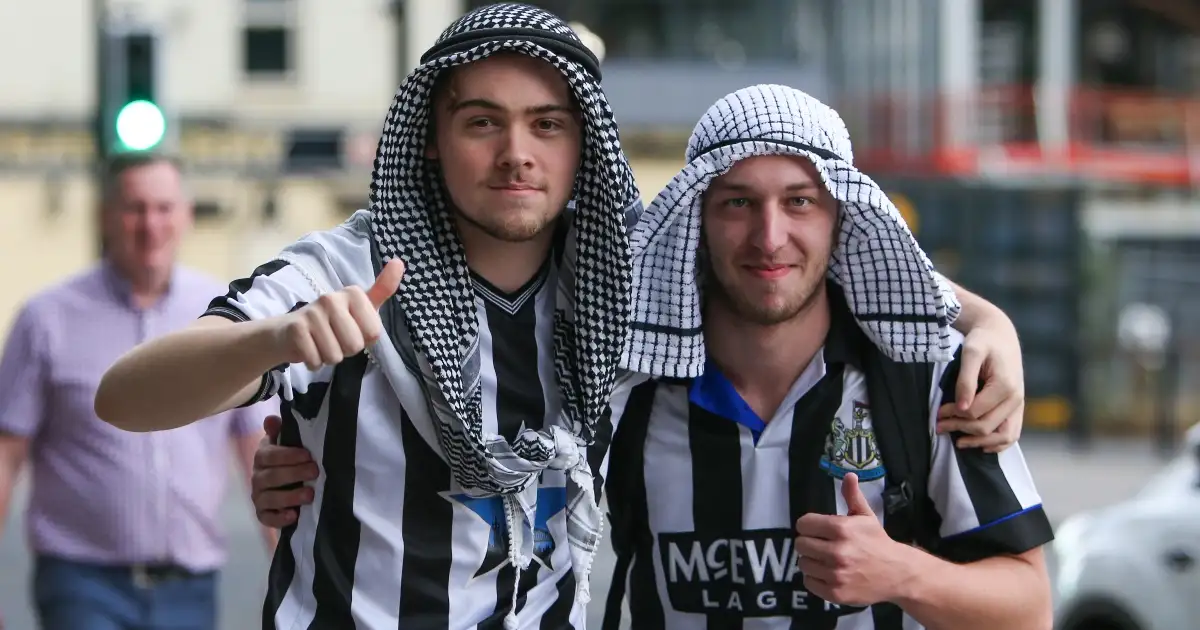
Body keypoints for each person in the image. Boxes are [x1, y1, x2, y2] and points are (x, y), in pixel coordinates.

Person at [96, 5, 1027, 629]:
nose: (517, 154)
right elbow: (124, 398)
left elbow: (796, 271)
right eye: (482, 123)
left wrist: (991, 326)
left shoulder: (620, 276)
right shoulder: (340, 270)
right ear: (432, 138)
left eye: (547, 124)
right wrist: (273, 342)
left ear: (582, 143)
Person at [599, 85, 1052, 628]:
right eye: (738, 202)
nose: (770, 238)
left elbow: (1031, 610)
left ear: (842, 219)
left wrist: (902, 574)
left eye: (800, 201)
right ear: (697, 221)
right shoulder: (626, 380)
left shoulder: (929, 373)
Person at [0, 152, 279, 630]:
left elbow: (259, 450)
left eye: (164, 208)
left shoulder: (226, 317)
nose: (151, 225)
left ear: (187, 215)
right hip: (82, 583)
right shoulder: (46, 319)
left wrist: (288, 567)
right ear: (104, 216)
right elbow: (7, 455)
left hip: (191, 587)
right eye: (135, 208)